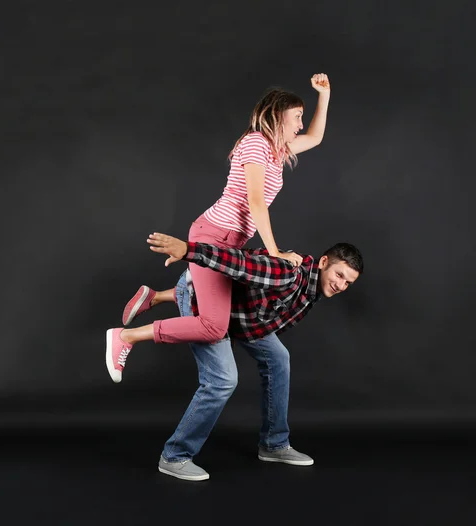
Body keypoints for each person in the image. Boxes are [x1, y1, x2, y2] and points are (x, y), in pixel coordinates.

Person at [106, 74, 331, 380]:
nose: (300, 125)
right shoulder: (256, 144)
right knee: (214, 325)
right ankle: (125, 337)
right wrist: (275, 252)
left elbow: (316, 138)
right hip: (213, 235)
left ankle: (154, 296)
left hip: (230, 241)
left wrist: (324, 95)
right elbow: (255, 202)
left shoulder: (278, 150)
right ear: (279, 115)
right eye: (297, 117)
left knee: (233, 293)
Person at [107, 231, 363, 481]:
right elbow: (239, 263)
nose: (340, 285)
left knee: (278, 359)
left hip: (240, 318)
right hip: (202, 302)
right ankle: (174, 456)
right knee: (223, 380)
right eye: (339, 275)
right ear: (324, 262)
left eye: (348, 282)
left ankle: (274, 445)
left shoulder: (312, 288)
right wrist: (188, 250)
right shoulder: (288, 272)